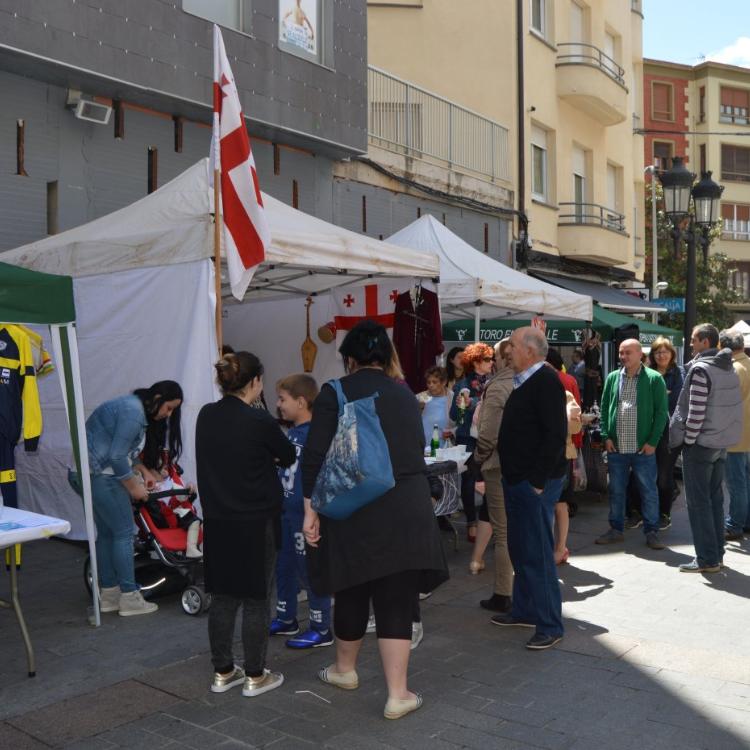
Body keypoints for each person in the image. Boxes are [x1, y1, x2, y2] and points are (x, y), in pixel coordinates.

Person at [302, 320, 448, 721]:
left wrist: (309, 511)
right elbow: (414, 447)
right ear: (385, 357)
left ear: (349, 358)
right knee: (396, 597)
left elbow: (313, 457)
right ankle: (397, 694)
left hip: (354, 506)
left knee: (349, 586)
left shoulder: (334, 393)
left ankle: (344, 671)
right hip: (406, 506)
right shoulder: (403, 395)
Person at [196, 352, 296, 697]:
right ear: (255, 382)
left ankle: (223, 671)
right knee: (255, 599)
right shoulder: (259, 421)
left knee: (223, 597)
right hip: (256, 521)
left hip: (219, 520)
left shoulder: (206, 415)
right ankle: (255, 674)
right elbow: (288, 454)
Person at [489, 327, 567, 650]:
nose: (508, 350)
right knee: (521, 548)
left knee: (537, 553)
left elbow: (554, 434)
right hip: (518, 480)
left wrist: (537, 481)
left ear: (530, 352)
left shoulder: (546, 381)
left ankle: (550, 623)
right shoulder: (526, 380)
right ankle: (523, 609)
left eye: (514, 345)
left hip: (534, 483)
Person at [79, 381, 183, 617]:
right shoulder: (134, 414)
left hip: (85, 472)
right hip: (100, 475)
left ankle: (109, 595)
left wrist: (145, 473)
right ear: (157, 398)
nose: (169, 414)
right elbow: (116, 457)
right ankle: (129, 597)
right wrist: (134, 487)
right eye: (168, 408)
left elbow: (124, 453)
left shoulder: (132, 408)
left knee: (107, 534)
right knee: (124, 533)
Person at [670, 325, 742, 573]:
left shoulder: (702, 370)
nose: (690, 343)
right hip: (720, 443)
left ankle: (707, 559)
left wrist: (688, 441)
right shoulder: (728, 368)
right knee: (715, 500)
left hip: (701, 446)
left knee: (699, 504)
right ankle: (716, 555)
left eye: (693, 340)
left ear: (704, 341)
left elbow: (696, 413)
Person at [270, 374, 333, 649]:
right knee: (283, 567)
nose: (278, 404)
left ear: (300, 401)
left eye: (282, 399)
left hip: (305, 515)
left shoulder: (316, 434)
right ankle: (286, 618)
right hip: (286, 512)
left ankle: (321, 628)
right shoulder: (293, 432)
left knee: (310, 570)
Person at [595, 339, 668, 551]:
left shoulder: (654, 379)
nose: (623, 356)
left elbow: (661, 414)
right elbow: (605, 405)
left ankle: (652, 531)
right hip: (617, 447)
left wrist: (653, 442)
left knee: (648, 490)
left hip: (642, 448)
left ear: (639, 354)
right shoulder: (612, 377)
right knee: (617, 490)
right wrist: (606, 435)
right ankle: (616, 529)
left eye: (628, 353)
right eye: (621, 353)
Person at [472, 339, 514, 612]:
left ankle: (502, 593)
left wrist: (477, 458)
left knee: (503, 532)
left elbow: (487, 434)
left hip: (498, 465)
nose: (492, 360)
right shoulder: (525, 381)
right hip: (521, 467)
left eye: (494, 355)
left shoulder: (499, 385)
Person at [627, 338, 684, 530]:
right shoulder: (645, 373)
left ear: (672, 354)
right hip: (645, 429)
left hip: (668, 432)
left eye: (665, 351)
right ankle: (638, 512)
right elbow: (639, 399)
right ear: (652, 355)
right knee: (638, 473)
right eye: (658, 352)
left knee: (663, 476)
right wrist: (661, 395)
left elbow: (675, 400)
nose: (662, 355)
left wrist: (659, 397)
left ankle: (664, 514)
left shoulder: (678, 373)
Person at [450, 343, 495, 542]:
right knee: (469, 481)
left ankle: (489, 521)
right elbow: (454, 416)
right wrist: (462, 406)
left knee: (490, 480)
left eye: (492, 358)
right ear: (476, 361)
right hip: (467, 437)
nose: (492, 362)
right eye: (487, 359)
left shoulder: (494, 382)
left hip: (487, 436)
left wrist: (474, 404)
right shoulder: (463, 383)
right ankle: (471, 523)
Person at [545, 348, 582, 564]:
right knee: (558, 503)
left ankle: (557, 548)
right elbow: (576, 423)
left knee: (555, 503)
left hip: (560, 454)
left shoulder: (563, 385)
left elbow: (574, 423)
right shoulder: (567, 382)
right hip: (563, 453)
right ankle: (558, 548)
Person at [721, 330, 750, 541]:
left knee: (736, 483)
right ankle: (745, 521)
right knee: (745, 482)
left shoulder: (734, 369)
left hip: (735, 435)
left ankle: (735, 524)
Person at [416, 366, 454, 448]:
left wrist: (452, 432)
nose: (431, 385)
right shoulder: (421, 397)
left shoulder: (451, 398)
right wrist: (419, 408)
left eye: (434, 382)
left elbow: (459, 422)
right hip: (424, 448)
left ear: (444, 382)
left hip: (444, 448)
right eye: (428, 382)